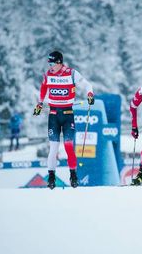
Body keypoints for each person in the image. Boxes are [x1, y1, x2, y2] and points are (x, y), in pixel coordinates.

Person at [33, 51, 94, 189]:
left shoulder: (71, 73)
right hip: (53, 114)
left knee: (68, 146)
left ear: (60, 62)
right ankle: (51, 178)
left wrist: (90, 94)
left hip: (67, 114)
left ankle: (73, 176)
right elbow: (43, 88)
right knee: (53, 148)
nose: (50, 66)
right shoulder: (48, 74)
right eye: (49, 63)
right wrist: (40, 103)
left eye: (53, 63)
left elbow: (88, 85)